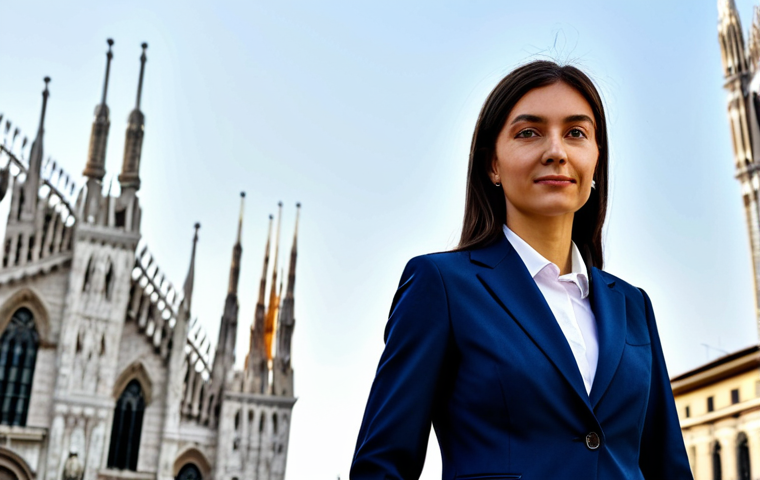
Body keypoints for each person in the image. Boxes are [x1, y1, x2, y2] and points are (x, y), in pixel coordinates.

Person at [350, 60, 693, 480]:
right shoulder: (440, 286)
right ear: (492, 164)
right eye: (529, 132)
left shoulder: (634, 305)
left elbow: (668, 468)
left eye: (576, 133)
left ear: (597, 160)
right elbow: (381, 467)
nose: (556, 151)